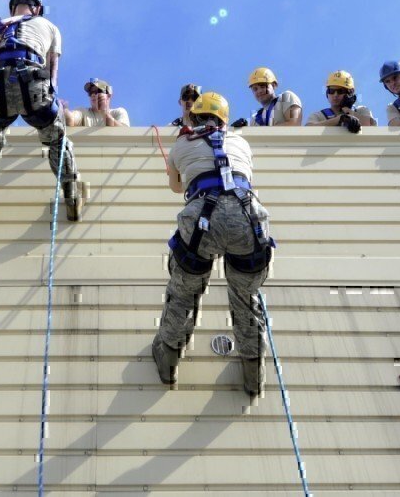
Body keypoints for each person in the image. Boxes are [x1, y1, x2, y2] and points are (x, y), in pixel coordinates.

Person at [152, 91, 274, 396]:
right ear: (223, 119)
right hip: (248, 217)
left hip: (200, 218)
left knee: (184, 290)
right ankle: (253, 367)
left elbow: (176, 186)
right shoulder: (241, 142)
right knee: (246, 296)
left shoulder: (182, 143)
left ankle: (168, 353)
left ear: (194, 117)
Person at [0, 0, 84, 222]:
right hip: (32, 82)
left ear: (13, 7)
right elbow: (53, 66)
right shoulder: (49, 26)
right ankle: (70, 192)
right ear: (38, 8)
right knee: (57, 140)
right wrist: (52, 93)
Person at [305, 70, 377, 132]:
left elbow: (368, 125)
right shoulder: (319, 115)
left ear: (350, 93)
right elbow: (308, 129)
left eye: (340, 91)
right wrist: (340, 119)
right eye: (331, 91)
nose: (335, 95)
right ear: (327, 93)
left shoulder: (361, 110)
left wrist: (349, 113)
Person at [236, 67, 301, 126]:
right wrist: (240, 129)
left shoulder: (287, 97)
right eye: (255, 89)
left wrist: (262, 132)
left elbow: (294, 124)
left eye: (262, 86)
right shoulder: (255, 118)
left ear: (274, 85)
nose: (259, 91)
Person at [63, 78, 130, 126]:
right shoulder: (83, 112)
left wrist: (105, 113)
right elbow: (70, 119)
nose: (94, 95)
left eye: (98, 91)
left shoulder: (119, 112)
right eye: (91, 93)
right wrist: (64, 111)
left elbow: (124, 132)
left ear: (109, 95)